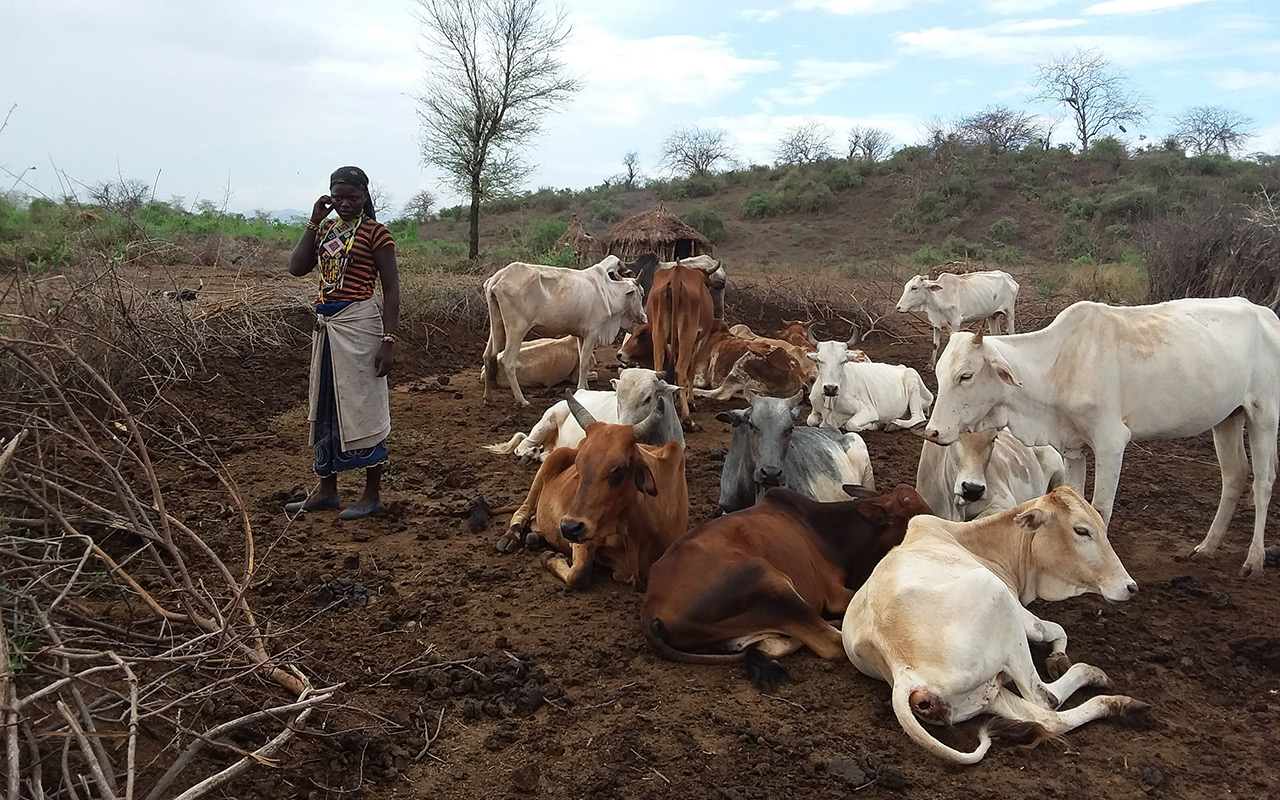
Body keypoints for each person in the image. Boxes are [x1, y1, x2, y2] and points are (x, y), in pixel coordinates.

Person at [285, 166, 400, 520]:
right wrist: (313, 221)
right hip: (327, 326)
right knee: (325, 404)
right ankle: (327, 489)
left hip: (360, 326)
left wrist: (389, 340)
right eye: (338, 198)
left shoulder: (376, 234)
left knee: (364, 406)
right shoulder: (326, 229)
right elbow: (296, 268)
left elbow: (392, 289)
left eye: (352, 197)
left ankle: (371, 494)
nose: (345, 203)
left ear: (365, 196)